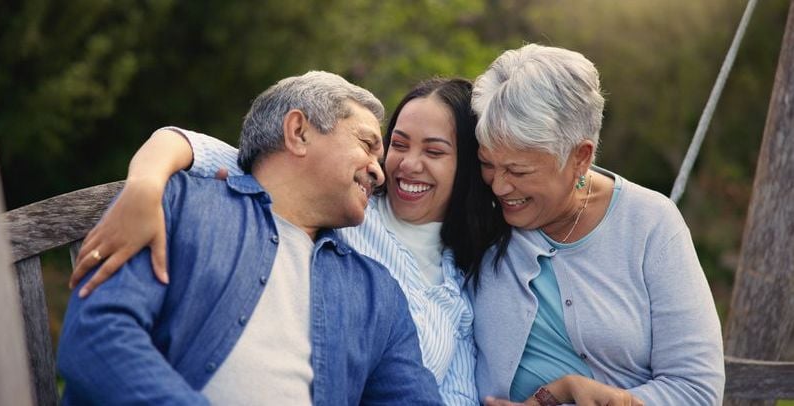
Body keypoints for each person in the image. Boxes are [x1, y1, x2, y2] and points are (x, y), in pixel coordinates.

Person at [69, 78, 505, 404]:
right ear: (298, 132)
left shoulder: (376, 292)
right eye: (370, 145)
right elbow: (96, 337)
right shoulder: (183, 206)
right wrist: (146, 182)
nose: (381, 171)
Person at [470, 44, 725, 405]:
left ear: (581, 157)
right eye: (487, 164)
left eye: (519, 171)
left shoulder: (650, 224)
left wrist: (562, 395)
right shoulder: (476, 211)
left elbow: (696, 391)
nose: (498, 186)